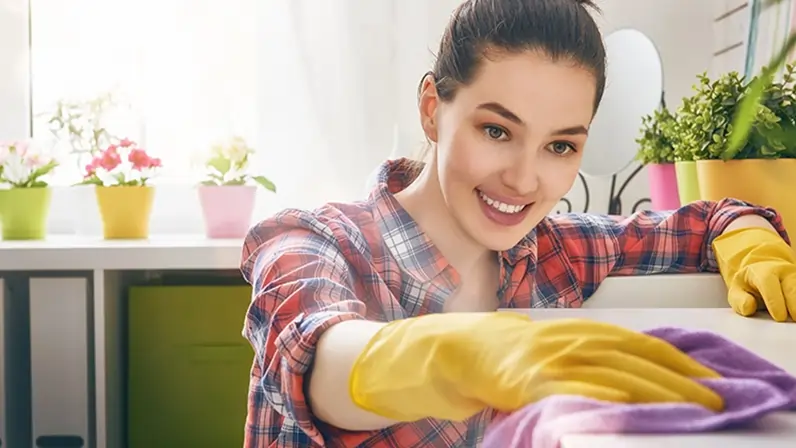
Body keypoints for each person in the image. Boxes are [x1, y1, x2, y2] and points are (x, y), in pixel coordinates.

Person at [239, 0, 796, 446]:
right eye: (497, 131)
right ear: (433, 108)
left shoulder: (557, 255)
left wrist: (749, 237)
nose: (526, 181)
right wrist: (457, 357)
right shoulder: (315, 242)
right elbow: (317, 361)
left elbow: (706, 221)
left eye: (560, 145)